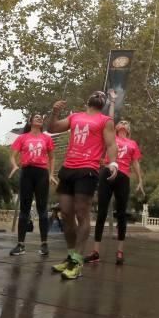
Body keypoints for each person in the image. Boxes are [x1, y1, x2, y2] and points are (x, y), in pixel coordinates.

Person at [47, 91, 118, 280]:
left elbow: (111, 144)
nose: (98, 95)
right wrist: (54, 112)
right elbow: (52, 128)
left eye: (102, 96)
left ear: (103, 103)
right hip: (68, 168)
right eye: (95, 93)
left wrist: (113, 163)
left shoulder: (105, 120)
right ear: (88, 99)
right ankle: (70, 256)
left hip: (88, 169)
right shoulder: (75, 116)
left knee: (81, 213)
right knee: (66, 214)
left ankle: (77, 262)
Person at [86, 91, 145, 265]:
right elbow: (109, 119)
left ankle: (120, 251)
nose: (123, 123)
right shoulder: (110, 136)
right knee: (102, 212)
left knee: (121, 214)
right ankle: (95, 251)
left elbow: (136, 163)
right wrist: (112, 101)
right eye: (122, 122)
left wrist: (140, 180)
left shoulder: (132, 144)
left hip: (123, 176)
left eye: (127, 123)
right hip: (107, 172)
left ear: (129, 130)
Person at [8, 113, 56, 257]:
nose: (39, 118)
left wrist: (51, 174)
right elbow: (12, 155)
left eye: (41, 117)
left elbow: (52, 158)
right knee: (24, 209)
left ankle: (44, 244)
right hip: (26, 173)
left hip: (41, 173)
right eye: (36, 117)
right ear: (30, 121)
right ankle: (20, 244)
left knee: (42, 209)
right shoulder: (22, 138)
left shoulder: (47, 138)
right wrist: (15, 165)